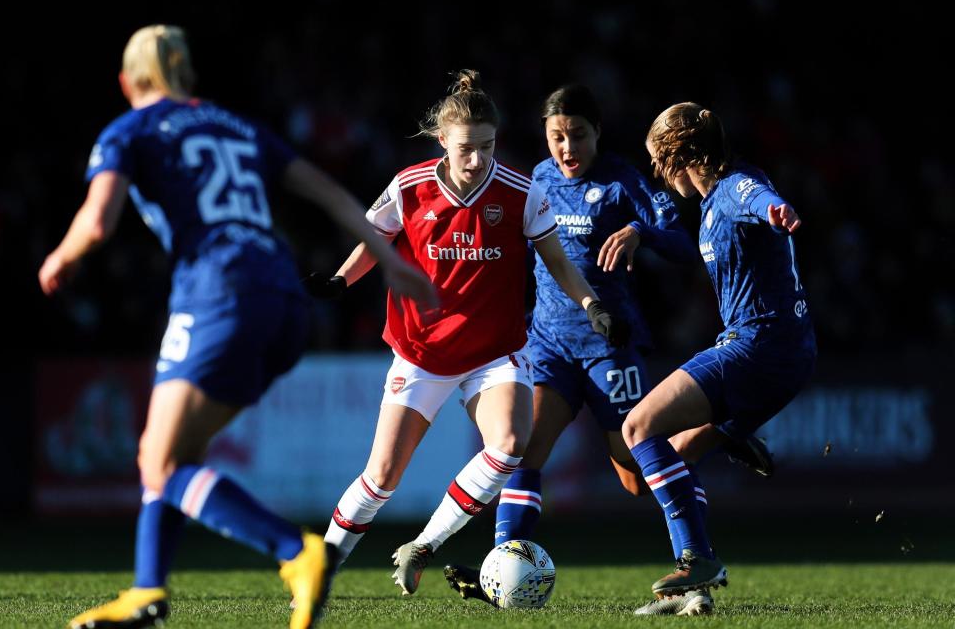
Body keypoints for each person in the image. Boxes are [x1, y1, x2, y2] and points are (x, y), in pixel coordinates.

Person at [39, 25, 436, 629]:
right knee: (174, 454)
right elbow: (328, 192)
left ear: (127, 82)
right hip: (283, 300)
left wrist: (59, 258)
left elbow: (97, 221)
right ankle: (148, 591)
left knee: (159, 462)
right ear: (189, 76)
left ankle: (297, 553)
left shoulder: (130, 129)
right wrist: (388, 264)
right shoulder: (237, 126)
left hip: (219, 291)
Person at [442, 85, 774, 606]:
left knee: (638, 479)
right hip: (549, 342)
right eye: (556, 137)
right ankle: (503, 567)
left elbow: (686, 246)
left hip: (608, 347)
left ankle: (712, 433)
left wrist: (641, 231)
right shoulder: (540, 178)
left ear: (597, 132)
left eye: (577, 135)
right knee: (524, 452)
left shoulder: (624, 182)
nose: (566, 147)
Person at [314, 70, 623, 597]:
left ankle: (424, 546)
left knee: (508, 445)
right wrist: (342, 279)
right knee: (382, 478)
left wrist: (590, 301)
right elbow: (375, 238)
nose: (478, 159)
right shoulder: (410, 187)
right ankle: (317, 569)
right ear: (442, 142)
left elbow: (558, 261)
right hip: (422, 350)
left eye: (487, 146)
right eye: (466, 149)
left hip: (495, 351)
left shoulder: (521, 192)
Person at [622, 102, 817, 615]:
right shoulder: (716, 201)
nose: (657, 174)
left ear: (675, 156)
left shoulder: (732, 189)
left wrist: (779, 209)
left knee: (639, 428)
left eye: (656, 161)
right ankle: (694, 592)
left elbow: (760, 200)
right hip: (791, 355)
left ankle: (695, 558)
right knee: (671, 463)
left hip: (756, 346)